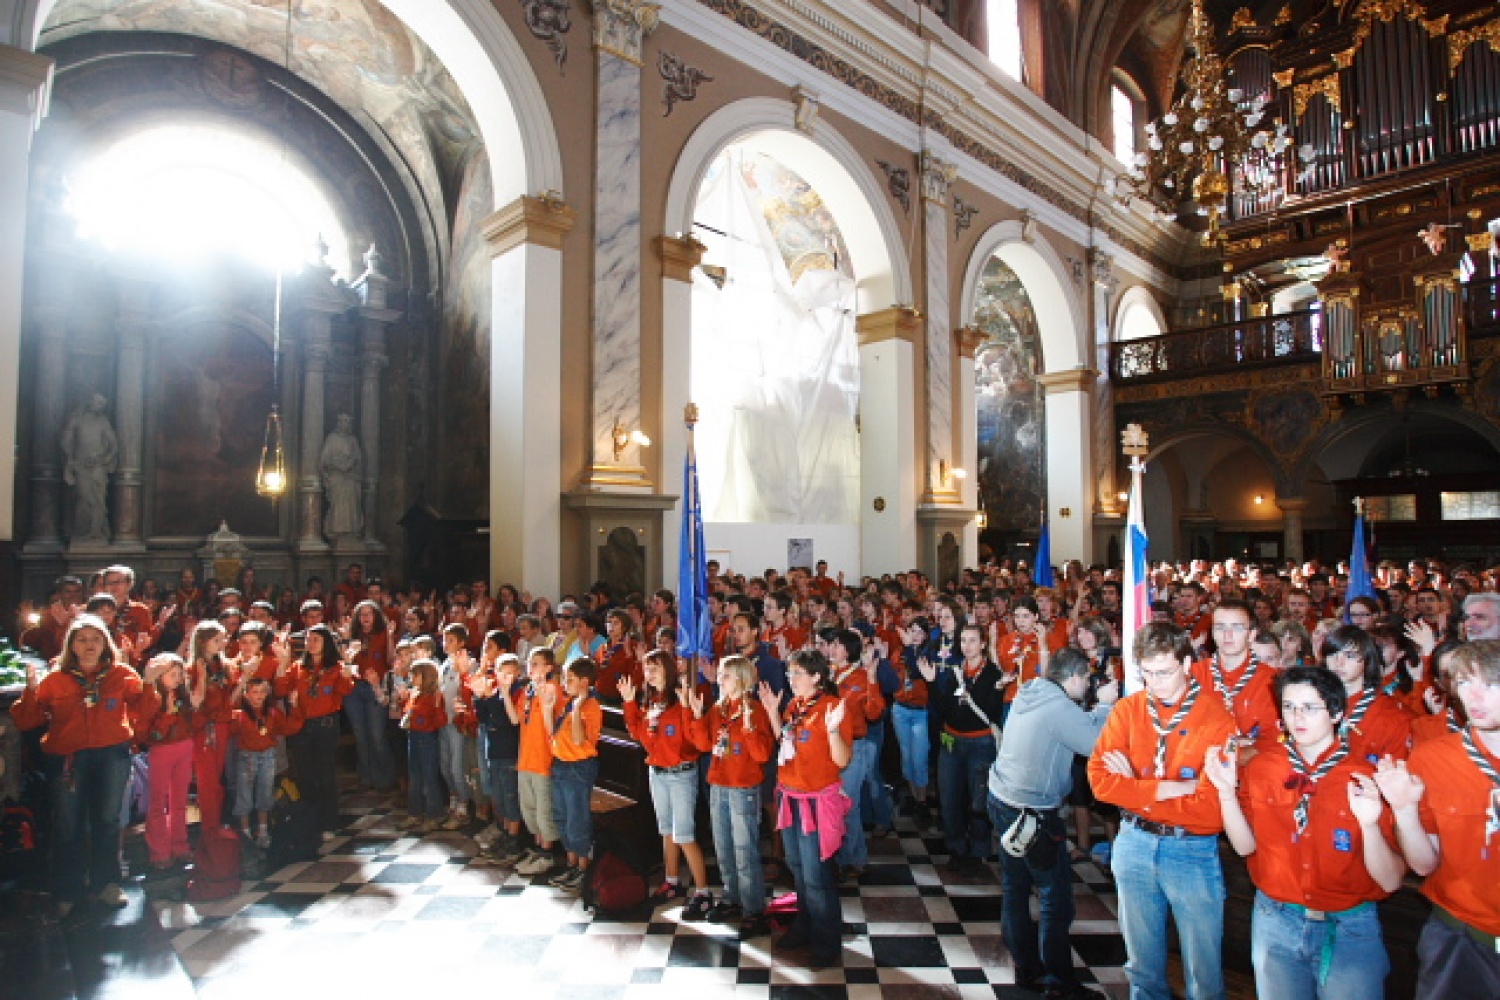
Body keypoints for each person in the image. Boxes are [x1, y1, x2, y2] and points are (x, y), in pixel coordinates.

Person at [1206, 665, 1405, 999]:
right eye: (1289, 707)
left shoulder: (1364, 778)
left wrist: (1369, 824)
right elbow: (1244, 847)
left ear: (1337, 713)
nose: (1298, 717)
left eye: (1310, 707)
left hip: (1347, 927)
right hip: (1277, 919)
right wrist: (1226, 793)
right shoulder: (1263, 769)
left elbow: (1390, 880)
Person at [1088, 622, 1237, 1000]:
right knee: (1141, 966)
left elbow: (1209, 809)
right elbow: (1099, 782)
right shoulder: (1128, 710)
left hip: (1191, 850)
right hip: (1133, 840)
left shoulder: (1216, 718)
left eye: (1165, 672)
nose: (1155, 683)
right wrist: (1167, 788)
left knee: (1202, 971)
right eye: (1147, 673)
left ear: (1187, 664)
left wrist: (1134, 787)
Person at [987, 646, 1117, 998]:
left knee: (1015, 889)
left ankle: (1026, 969)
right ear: (1073, 677)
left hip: (1002, 798)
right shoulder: (1059, 706)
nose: (1088, 685)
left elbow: (1067, 726)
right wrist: (1105, 705)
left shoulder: (1032, 689)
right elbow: (1094, 742)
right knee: (1055, 898)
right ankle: (1059, 984)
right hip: (1032, 813)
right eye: (1086, 680)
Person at [1375, 639, 1500, 998]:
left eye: (1489, 684)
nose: (1473, 697)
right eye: (1462, 683)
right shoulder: (1433, 759)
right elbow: (1424, 863)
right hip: (1461, 936)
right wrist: (1404, 811)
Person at [11, 614, 147, 915]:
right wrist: (30, 692)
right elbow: (28, 720)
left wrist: (152, 684)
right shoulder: (55, 679)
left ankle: (106, 884)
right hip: (68, 758)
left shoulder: (122, 674)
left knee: (108, 822)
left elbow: (144, 708)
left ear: (105, 643)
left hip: (112, 755)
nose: (89, 645)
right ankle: (67, 888)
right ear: (71, 645)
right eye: (82, 639)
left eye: (95, 639)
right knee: (69, 825)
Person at [758, 648, 852, 969]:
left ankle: (827, 940)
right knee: (797, 870)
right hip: (791, 795)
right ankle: (804, 924)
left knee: (816, 876)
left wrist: (835, 730)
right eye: (790, 673)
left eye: (798, 673)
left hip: (816, 801)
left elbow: (842, 760)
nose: (792, 679)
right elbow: (784, 742)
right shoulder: (796, 706)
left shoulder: (831, 708)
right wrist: (773, 712)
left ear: (816, 677)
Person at [620, 651, 713, 917]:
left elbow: (695, 741)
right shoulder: (652, 701)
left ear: (668, 670)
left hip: (681, 773)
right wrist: (629, 703)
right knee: (667, 831)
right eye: (646, 669)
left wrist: (689, 710)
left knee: (684, 833)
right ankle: (672, 881)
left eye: (655, 669)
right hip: (657, 773)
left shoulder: (678, 699)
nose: (649, 674)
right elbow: (640, 735)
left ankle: (703, 892)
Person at [688, 654, 775, 937]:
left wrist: (749, 730)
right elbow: (703, 745)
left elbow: (762, 754)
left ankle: (753, 909)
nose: (719, 679)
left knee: (744, 849)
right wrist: (699, 717)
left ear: (740, 679)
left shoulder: (754, 710)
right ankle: (731, 898)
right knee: (723, 846)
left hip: (743, 787)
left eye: (725, 675)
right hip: (718, 784)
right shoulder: (719, 709)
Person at [921, 622, 1007, 873]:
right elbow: (943, 708)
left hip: (980, 742)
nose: (966, 646)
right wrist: (931, 683)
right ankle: (956, 847)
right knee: (949, 798)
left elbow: (992, 712)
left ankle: (979, 851)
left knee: (978, 801)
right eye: (963, 641)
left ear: (982, 644)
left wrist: (975, 694)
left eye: (972, 640)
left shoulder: (992, 674)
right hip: (952, 740)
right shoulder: (955, 670)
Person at [287, 623, 353, 838]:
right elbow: (281, 687)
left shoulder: (335, 667)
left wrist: (347, 669)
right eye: (308, 639)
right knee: (306, 775)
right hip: (303, 726)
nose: (311, 643)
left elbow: (345, 690)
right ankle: (311, 821)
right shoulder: (298, 667)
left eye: (316, 639)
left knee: (325, 775)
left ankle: (329, 822)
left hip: (326, 726)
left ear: (326, 643)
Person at [137, 653, 201, 871]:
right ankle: (159, 852)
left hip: (184, 746)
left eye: (179, 674)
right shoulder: (152, 697)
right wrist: (165, 709)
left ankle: (180, 846)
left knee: (179, 800)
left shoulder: (182, 697)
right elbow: (146, 730)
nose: (177, 678)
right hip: (162, 750)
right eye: (172, 674)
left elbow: (193, 718)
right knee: (158, 802)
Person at [1192, 599, 1279, 751]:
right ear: (1212, 633)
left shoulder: (1272, 680)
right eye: (1220, 628)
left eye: (1237, 628)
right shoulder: (1193, 675)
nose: (1227, 635)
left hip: (1256, 767)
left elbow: (1272, 741)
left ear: (1251, 635)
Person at [1318, 626, 1411, 765]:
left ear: (1368, 661)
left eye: (1350, 655)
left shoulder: (1391, 716)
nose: (1339, 662)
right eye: (1333, 654)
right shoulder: (1310, 705)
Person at [547, 658, 602, 891]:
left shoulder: (590, 707)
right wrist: (549, 707)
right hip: (560, 763)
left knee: (577, 819)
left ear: (584, 682)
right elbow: (553, 732)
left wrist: (578, 708)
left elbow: (580, 740)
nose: (565, 683)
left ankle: (583, 869)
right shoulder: (568, 702)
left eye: (570, 679)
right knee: (562, 816)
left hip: (578, 767)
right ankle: (571, 864)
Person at [232, 677, 304, 848]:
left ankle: (263, 832)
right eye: (254, 692)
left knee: (265, 793)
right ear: (247, 695)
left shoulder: (272, 713)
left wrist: (294, 706)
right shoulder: (239, 715)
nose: (258, 696)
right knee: (244, 795)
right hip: (247, 757)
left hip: (268, 756)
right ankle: (245, 834)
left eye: (262, 692)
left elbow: (288, 728)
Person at [514, 647, 565, 876]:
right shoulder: (527, 690)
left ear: (548, 667)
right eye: (530, 663)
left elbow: (552, 726)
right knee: (530, 809)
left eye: (536, 663)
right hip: (525, 757)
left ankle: (547, 853)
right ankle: (537, 849)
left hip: (543, 759)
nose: (531, 667)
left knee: (544, 811)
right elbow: (517, 719)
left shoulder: (552, 689)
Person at [472, 652, 527, 863]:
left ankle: (513, 841)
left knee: (511, 798)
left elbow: (509, 720)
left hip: (510, 753)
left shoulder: (515, 694)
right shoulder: (496, 694)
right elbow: (485, 719)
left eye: (509, 674)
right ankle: (504, 835)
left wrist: (494, 697)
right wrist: (479, 698)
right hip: (494, 753)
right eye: (501, 674)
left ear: (517, 674)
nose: (505, 678)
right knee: (500, 798)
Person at [187, 620, 237, 831]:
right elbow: (194, 703)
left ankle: (215, 824)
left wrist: (245, 680)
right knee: (207, 781)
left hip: (222, 726)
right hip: (203, 729)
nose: (222, 644)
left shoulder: (225, 667)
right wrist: (202, 678)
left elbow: (231, 700)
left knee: (217, 779)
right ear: (202, 641)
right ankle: (210, 829)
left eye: (223, 639)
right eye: (216, 640)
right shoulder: (191, 669)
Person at [344, 599, 395, 796]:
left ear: (375, 616)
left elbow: (391, 661)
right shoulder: (352, 635)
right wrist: (346, 640)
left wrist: (390, 637)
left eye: (369, 614)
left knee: (377, 736)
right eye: (362, 614)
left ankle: (385, 778)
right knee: (361, 736)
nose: (365, 618)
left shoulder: (383, 634)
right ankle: (366, 778)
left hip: (376, 687)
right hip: (355, 689)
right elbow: (344, 663)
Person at [400, 659, 449, 832]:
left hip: (427, 738)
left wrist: (437, 708)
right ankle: (415, 813)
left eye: (415, 675)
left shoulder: (435, 696)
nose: (412, 678)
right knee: (415, 778)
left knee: (429, 778)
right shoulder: (415, 694)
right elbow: (407, 714)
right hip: (413, 736)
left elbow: (441, 721)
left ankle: (434, 814)